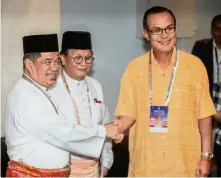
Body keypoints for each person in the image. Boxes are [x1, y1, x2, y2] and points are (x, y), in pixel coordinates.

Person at [113, 6, 216, 177]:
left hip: (184, 164)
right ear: (146, 34)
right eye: (156, 30)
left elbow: (204, 115)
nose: (164, 35)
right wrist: (115, 128)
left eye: (169, 28)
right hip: (146, 165)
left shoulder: (195, 66)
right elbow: (127, 112)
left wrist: (206, 157)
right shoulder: (134, 68)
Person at [4, 34, 122, 177]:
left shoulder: (39, 89)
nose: (54, 68)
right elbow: (62, 133)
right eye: (48, 62)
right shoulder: (26, 96)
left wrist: (106, 157)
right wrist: (103, 132)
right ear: (29, 64)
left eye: (56, 61)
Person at [49, 31, 121, 177]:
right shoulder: (51, 88)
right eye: (77, 58)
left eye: (88, 58)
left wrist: (106, 163)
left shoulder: (96, 86)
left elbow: (105, 125)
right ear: (63, 58)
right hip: (62, 169)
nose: (83, 63)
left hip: (94, 169)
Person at [192, 14, 221, 177]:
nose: (220, 34)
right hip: (205, 100)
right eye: (217, 29)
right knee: (204, 141)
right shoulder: (201, 47)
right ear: (212, 30)